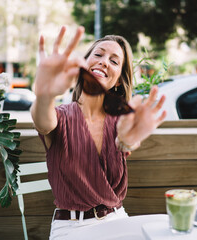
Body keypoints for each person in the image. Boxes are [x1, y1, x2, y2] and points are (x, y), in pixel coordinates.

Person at [31, 26, 166, 239]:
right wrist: (44, 95)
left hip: (117, 220)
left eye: (114, 61)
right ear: (84, 64)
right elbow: (43, 122)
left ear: (119, 79)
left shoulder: (122, 121)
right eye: (98, 54)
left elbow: (127, 142)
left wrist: (128, 141)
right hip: (70, 227)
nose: (104, 61)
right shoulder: (61, 116)